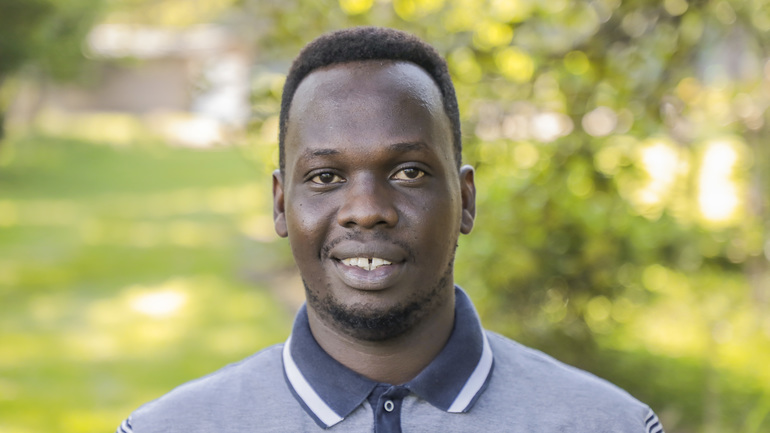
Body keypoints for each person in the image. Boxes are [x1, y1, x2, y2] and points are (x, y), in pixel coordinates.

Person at [116, 27, 665, 433]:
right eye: (325, 177)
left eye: (408, 172)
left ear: (466, 199)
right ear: (282, 206)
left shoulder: (608, 424)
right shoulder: (169, 428)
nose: (366, 210)